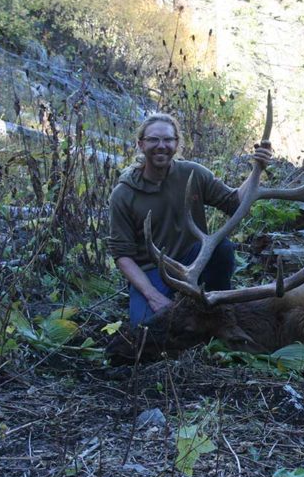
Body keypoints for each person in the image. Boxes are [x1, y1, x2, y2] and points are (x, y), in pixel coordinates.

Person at [107, 113, 272, 328]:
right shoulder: (123, 194)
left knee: (221, 248)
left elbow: (233, 203)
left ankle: (217, 305)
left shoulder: (193, 174)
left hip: (193, 262)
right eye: (153, 140)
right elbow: (123, 256)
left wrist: (257, 168)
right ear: (141, 144)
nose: (161, 146)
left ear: (177, 144)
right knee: (147, 329)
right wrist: (153, 296)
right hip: (153, 272)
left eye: (168, 140)